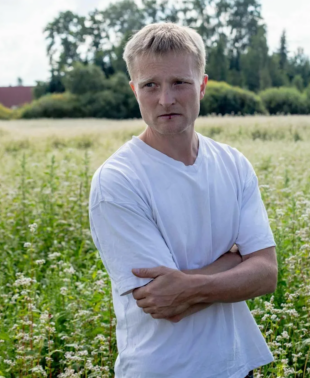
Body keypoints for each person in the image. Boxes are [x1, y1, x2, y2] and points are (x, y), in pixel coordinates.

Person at [88, 22, 277, 378]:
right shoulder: (118, 181)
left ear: (202, 85)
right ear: (134, 90)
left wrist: (187, 285)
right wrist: (234, 260)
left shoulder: (233, 164)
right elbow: (164, 303)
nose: (166, 99)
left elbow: (266, 275)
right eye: (150, 85)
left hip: (236, 366)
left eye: (180, 82)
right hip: (162, 370)